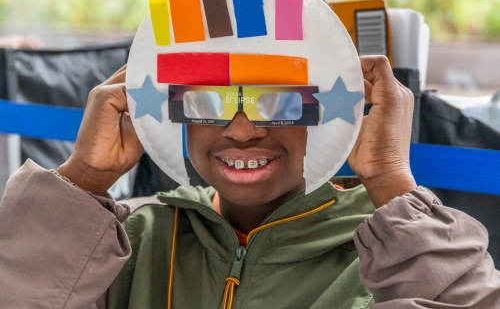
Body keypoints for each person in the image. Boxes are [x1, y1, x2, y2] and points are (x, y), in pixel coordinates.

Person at [1, 56, 499, 309]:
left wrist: (391, 181)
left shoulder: (391, 256)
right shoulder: (126, 241)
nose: (241, 131)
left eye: (281, 102)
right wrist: (83, 179)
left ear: (331, 115)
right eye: (207, 103)